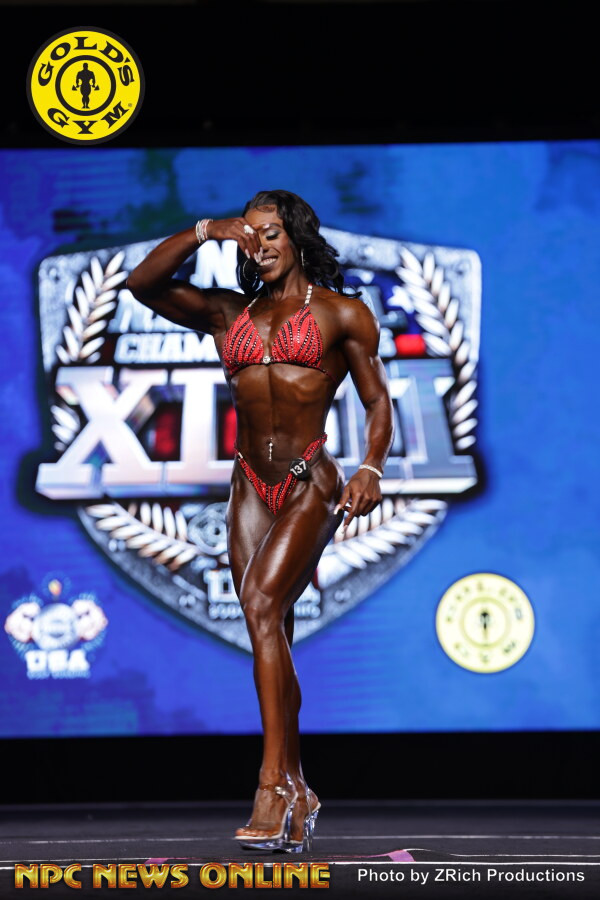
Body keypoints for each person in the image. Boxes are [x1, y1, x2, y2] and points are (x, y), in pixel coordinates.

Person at [126, 189, 394, 852]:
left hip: (310, 480)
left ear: (296, 237)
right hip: (249, 484)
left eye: (271, 232)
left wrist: (371, 467)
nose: (261, 244)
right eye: (251, 234)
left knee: (262, 605)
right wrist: (205, 231)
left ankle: (272, 786)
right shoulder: (229, 314)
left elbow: (376, 400)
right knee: (268, 631)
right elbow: (142, 283)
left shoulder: (342, 314)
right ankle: (300, 788)